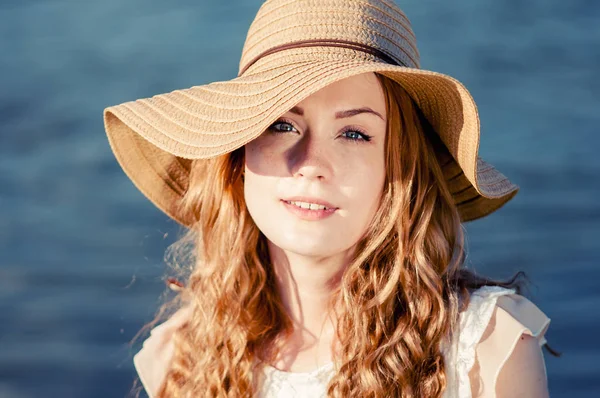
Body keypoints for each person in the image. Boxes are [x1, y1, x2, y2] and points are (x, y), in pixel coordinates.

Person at [103, 0, 554, 397]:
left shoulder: (483, 348)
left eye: (354, 133)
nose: (312, 163)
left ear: (397, 167)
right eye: (282, 125)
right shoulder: (180, 356)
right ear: (237, 157)